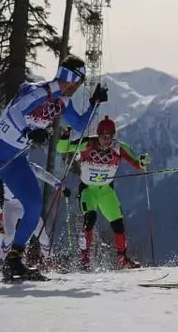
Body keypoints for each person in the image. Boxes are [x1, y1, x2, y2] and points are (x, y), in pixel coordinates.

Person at [0, 55, 107, 281]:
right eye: (81, 82)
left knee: (34, 205)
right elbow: (16, 111)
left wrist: (94, 104)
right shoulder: (41, 90)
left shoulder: (63, 101)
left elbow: (79, 126)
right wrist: (28, 132)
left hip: (14, 159)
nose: (79, 87)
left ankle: (13, 260)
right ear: (74, 78)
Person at [56, 115, 150, 269]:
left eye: (110, 136)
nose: (107, 140)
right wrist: (65, 138)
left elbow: (138, 164)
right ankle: (84, 259)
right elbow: (61, 148)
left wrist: (142, 161)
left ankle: (122, 258)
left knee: (118, 224)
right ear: (98, 134)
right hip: (88, 190)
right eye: (103, 136)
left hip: (106, 191)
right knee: (90, 218)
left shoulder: (118, 147)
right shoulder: (87, 144)